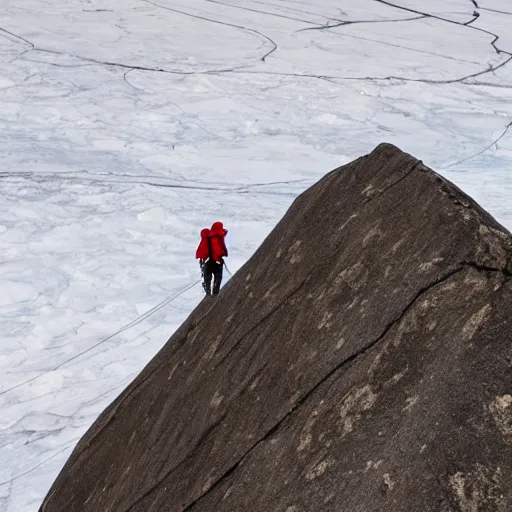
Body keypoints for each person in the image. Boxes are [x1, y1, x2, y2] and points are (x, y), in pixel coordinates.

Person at [195, 222, 228, 296]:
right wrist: (221, 256)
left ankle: (208, 292)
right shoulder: (215, 236)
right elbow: (217, 249)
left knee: (207, 277)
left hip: (206, 261)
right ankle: (215, 293)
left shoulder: (208, 236)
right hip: (215, 261)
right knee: (218, 277)